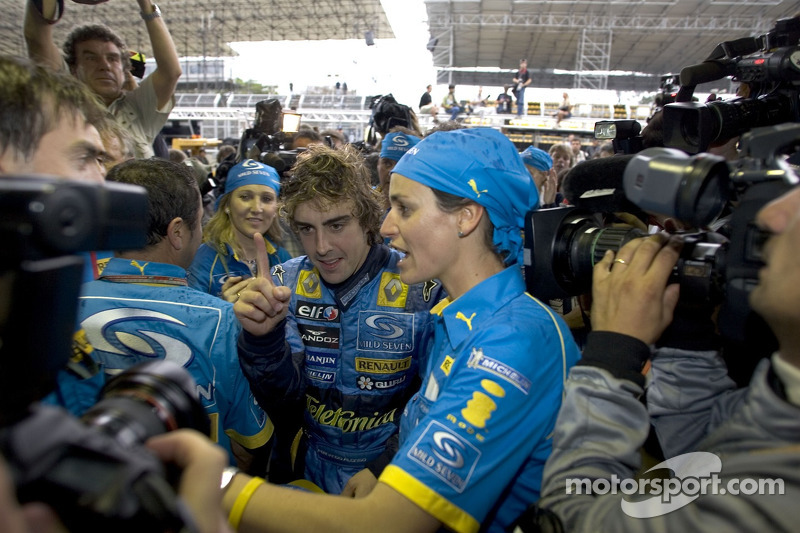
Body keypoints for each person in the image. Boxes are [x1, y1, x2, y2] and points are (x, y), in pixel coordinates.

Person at [223, 128, 580, 533]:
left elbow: (388, 522)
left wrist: (214, 487)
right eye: (306, 229)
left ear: (466, 216)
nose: (388, 226)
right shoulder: (461, 320)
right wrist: (262, 339)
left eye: (404, 208)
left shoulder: (512, 340)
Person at [526, 183, 800, 531]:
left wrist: (612, 356)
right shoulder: (786, 391)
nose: (771, 215)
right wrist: (685, 330)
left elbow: (568, 519)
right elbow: (700, 443)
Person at [235, 144, 444, 495]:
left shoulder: (420, 287)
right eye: (306, 228)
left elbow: (440, 401)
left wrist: (385, 466)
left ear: (366, 219)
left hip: (398, 472)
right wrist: (262, 339)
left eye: (336, 225)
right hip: (308, 464)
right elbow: (284, 402)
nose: (321, 246)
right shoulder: (283, 284)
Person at [78, 158, 274, 471]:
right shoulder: (220, 320)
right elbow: (249, 444)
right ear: (178, 232)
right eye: (200, 220)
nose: (203, 230)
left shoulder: (64, 307)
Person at [24, 0, 182, 158]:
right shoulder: (63, 101)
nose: (104, 66)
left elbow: (171, 72)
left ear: (124, 70)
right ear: (73, 69)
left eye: (113, 59)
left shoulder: (139, 108)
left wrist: (146, 5)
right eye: (91, 58)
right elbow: (37, 38)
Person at [188, 159, 291, 302]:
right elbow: (190, 318)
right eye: (245, 197)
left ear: (275, 209)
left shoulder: (282, 258)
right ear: (227, 205)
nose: (256, 208)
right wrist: (224, 310)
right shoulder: (202, 260)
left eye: (266, 199)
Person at [377, 129, 421, 209]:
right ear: (378, 164)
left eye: (402, 165)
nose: (392, 171)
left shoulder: (424, 210)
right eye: (387, 163)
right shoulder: (363, 202)